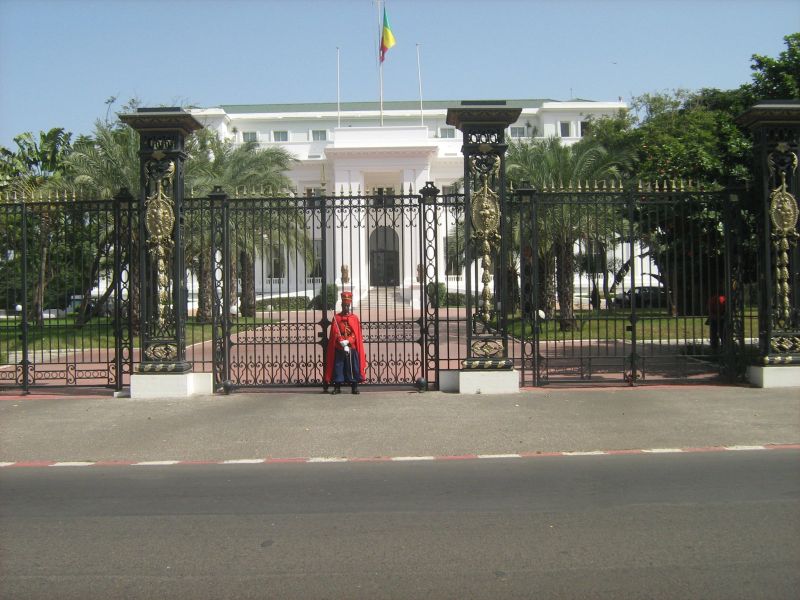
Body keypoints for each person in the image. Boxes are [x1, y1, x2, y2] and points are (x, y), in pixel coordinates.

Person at [324, 291, 366, 394]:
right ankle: (337, 387)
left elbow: (356, 334)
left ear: (349, 305)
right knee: (339, 366)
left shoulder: (354, 318)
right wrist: (341, 341)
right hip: (340, 347)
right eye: (344, 305)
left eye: (347, 306)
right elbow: (335, 332)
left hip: (351, 347)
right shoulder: (336, 318)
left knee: (353, 367)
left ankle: (354, 387)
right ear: (341, 305)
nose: (345, 308)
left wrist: (348, 341)